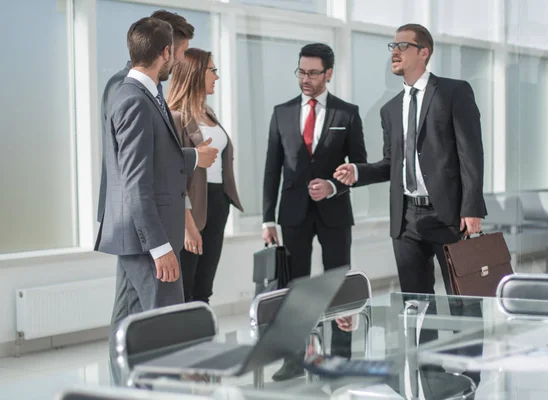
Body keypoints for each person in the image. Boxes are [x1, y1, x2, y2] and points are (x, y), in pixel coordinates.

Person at [334, 24, 485, 388]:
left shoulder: (453, 92)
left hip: (449, 215)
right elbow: (392, 164)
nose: (395, 52)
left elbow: (471, 153)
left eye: (403, 45)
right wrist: (358, 171)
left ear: (425, 51)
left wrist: (472, 207)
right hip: (407, 219)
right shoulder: (390, 109)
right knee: (417, 302)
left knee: (462, 298)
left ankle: (470, 372)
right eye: (393, 46)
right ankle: (429, 371)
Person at [94, 17, 218, 384]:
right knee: (167, 332)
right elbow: (135, 180)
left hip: (140, 232)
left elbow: (156, 158)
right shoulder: (132, 97)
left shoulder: (147, 93)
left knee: (129, 327)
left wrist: (192, 158)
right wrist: (161, 246)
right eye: (177, 54)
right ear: (165, 52)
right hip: (148, 235)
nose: (178, 62)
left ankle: (125, 391)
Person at [262, 43, 368, 381]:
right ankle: (293, 360)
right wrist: (267, 217)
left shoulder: (347, 113)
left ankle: (340, 360)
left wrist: (335, 186)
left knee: (338, 285)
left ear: (328, 74)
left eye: (312, 73)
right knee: (296, 288)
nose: (304, 79)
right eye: (301, 72)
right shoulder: (281, 112)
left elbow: (360, 166)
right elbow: (271, 168)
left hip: (335, 212)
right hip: (292, 214)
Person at [97, 9, 199, 225]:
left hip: (153, 213)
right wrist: (194, 156)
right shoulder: (125, 88)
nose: (181, 59)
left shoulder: (152, 87)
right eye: (182, 51)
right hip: (134, 219)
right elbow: (136, 165)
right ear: (167, 48)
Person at [168, 48, 244, 303]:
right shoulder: (175, 117)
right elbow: (171, 176)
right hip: (191, 207)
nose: (216, 77)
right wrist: (187, 225)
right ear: (195, 73)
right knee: (186, 287)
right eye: (212, 70)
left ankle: (203, 341)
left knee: (204, 286)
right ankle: (185, 341)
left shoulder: (209, 113)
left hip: (218, 202)